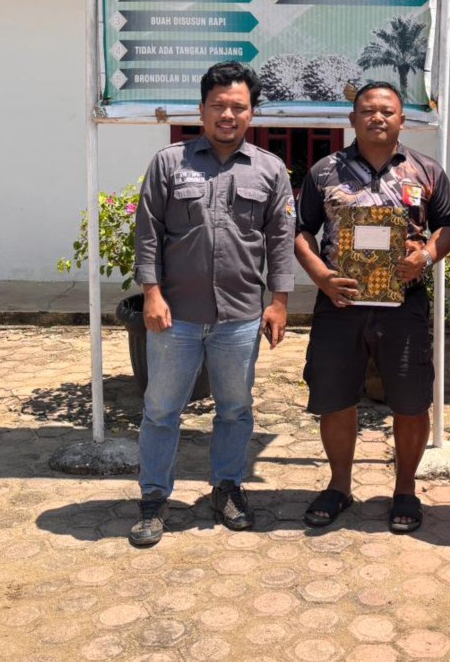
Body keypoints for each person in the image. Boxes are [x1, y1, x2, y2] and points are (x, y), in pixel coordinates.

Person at [129, 61, 296, 547]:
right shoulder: (169, 162)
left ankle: (227, 488)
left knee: (235, 409)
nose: (228, 115)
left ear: (252, 112)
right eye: (218, 105)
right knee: (161, 410)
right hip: (175, 316)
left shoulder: (269, 169)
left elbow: (280, 239)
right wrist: (151, 293)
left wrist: (279, 301)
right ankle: (153, 499)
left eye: (238, 107)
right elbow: (148, 232)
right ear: (201, 110)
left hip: (240, 316)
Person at [295, 81, 450, 534]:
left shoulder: (426, 170)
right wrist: (320, 275)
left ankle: (405, 488)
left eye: (387, 111)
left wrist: (425, 256)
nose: (378, 117)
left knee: (410, 401)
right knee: (335, 397)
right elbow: (302, 230)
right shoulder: (324, 171)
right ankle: (339, 485)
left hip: (403, 305)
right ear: (352, 119)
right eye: (368, 110)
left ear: (402, 120)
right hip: (340, 302)